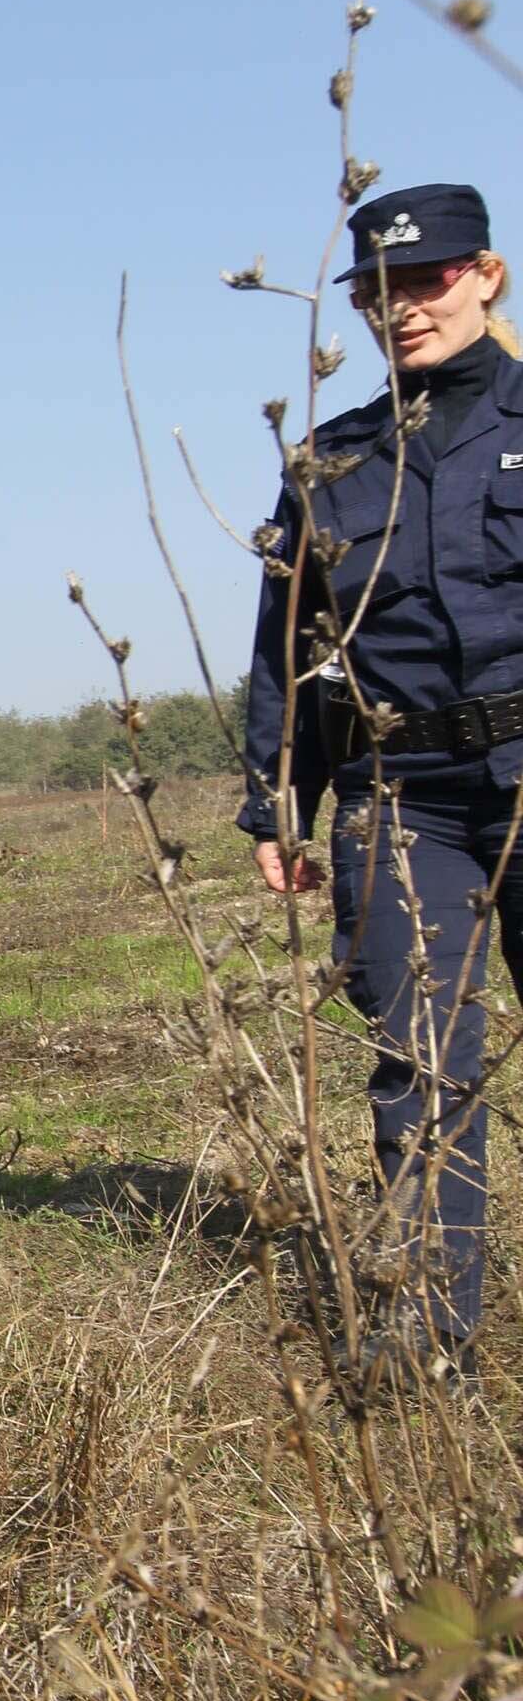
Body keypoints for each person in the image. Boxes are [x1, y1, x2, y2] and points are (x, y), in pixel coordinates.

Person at [240, 181, 523, 1379]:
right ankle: (428, 1329)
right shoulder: (329, 462)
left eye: (429, 279)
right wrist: (278, 798)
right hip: (403, 796)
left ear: (487, 277)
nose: (403, 308)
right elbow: (285, 642)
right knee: (419, 1058)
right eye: (377, 292)